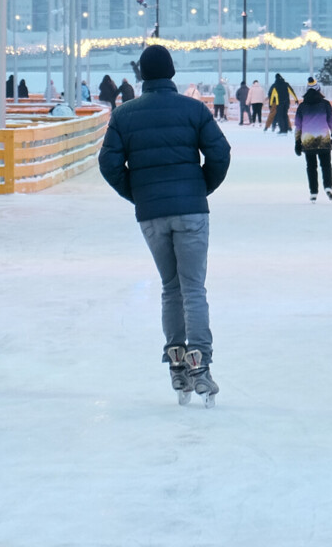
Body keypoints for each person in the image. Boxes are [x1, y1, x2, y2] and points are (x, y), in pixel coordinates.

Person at [97, 44, 231, 407]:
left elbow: (108, 163)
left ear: (142, 75)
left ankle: (177, 365)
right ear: (171, 72)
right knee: (193, 289)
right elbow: (220, 153)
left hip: (152, 214)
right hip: (190, 210)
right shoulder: (193, 110)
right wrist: (202, 187)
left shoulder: (124, 115)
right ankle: (199, 365)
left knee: (171, 287)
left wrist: (139, 194)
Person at [294, 77, 332, 202]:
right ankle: (328, 186)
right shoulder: (325, 104)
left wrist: (297, 142)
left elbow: (298, 126)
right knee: (326, 165)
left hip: (308, 141)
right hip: (323, 139)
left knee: (311, 166)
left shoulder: (302, 107)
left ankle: (313, 192)